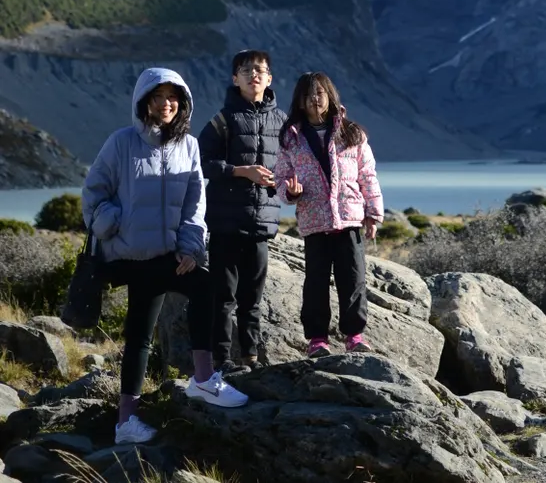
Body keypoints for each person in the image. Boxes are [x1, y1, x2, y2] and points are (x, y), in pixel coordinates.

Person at [82, 67, 249, 445]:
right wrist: (117, 223)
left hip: (170, 256)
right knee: (143, 332)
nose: (167, 103)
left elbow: (195, 204)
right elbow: (93, 195)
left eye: (174, 97)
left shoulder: (188, 146)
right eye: (159, 97)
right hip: (131, 256)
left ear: (183, 103)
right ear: (145, 102)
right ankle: (148, 409)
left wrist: (191, 247)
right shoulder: (121, 143)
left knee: (197, 292)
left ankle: (186, 388)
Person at [273, 72, 384, 357]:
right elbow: (281, 178)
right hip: (314, 222)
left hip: (349, 220)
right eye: (308, 94)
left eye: (320, 92)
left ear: (331, 95)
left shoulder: (352, 133)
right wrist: (291, 192)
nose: (315, 98)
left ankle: (355, 336)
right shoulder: (291, 139)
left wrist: (373, 214)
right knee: (316, 283)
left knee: (353, 279)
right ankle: (318, 340)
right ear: (299, 100)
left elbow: (368, 176)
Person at [198, 49, 284, 372]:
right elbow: (202, 163)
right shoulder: (223, 120)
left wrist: (287, 183)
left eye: (260, 70)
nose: (254, 75)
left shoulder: (282, 121)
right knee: (224, 298)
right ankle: (221, 361)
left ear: (269, 79)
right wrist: (240, 171)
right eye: (246, 70)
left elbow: (293, 165)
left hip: (261, 224)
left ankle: (250, 357)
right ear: (235, 78)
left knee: (253, 298)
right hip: (224, 223)